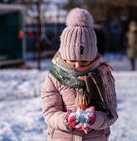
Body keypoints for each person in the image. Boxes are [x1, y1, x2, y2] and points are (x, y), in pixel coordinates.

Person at [41, 8, 118, 141]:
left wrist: (95, 119)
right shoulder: (54, 77)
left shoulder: (103, 74)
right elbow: (50, 112)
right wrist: (66, 119)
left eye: (84, 61)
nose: (77, 65)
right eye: (72, 60)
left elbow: (111, 114)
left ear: (93, 56)